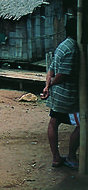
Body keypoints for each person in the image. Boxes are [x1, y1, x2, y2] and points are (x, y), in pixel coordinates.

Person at [41, 18, 79, 169]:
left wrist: (47, 85)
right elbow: (62, 75)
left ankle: (56, 157)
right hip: (67, 96)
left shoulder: (63, 45)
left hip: (58, 94)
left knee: (54, 122)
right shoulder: (73, 48)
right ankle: (70, 156)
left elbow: (51, 68)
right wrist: (50, 84)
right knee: (83, 124)